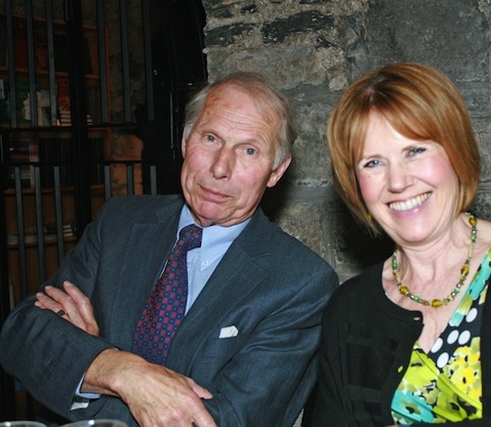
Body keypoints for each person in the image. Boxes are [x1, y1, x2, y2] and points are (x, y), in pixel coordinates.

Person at [0, 71, 339, 427]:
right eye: (210, 138)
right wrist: (119, 370)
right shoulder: (120, 223)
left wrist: (86, 365)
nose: (220, 168)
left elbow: (227, 422)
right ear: (185, 141)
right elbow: (22, 336)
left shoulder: (300, 283)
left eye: (249, 150)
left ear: (275, 171)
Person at [307, 63, 491, 426]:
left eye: (415, 151)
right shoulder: (349, 309)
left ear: (455, 150)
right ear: (356, 184)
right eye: (373, 162)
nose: (398, 181)